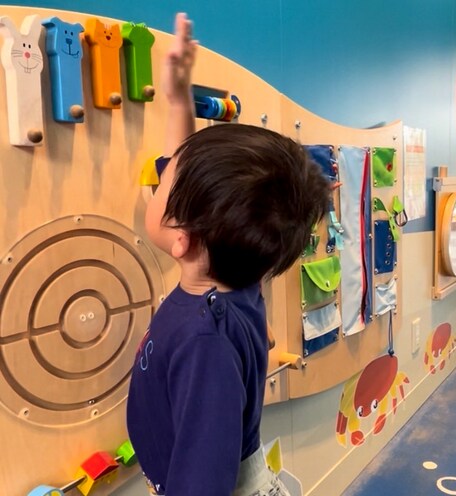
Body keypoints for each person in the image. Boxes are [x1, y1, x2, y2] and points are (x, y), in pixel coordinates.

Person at [126, 13, 331, 495]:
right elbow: (189, 176)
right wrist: (179, 99)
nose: (161, 173)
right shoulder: (238, 270)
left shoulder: (207, 345)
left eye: (164, 181)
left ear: (183, 238)